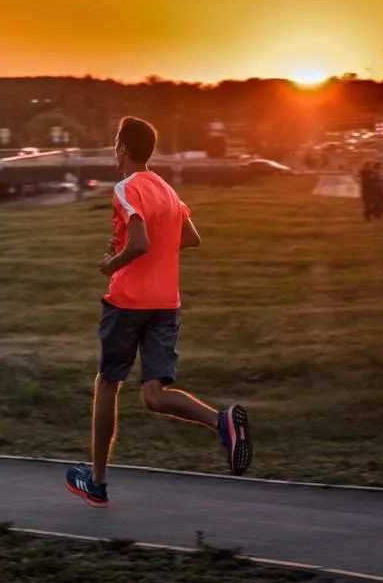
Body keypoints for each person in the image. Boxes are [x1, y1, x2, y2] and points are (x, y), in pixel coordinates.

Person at [65, 116, 252, 509]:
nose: (114, 150)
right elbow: (191, 237)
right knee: (153, 394)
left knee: (107, 385)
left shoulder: (125, 188)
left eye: (116, 143)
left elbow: (140, 242)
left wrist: (111, 264)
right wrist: (157, 255)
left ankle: (96, 483)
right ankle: (221, 422)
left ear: (125, 149)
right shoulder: (167, 189)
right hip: (166, 305)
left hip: (128, 302)